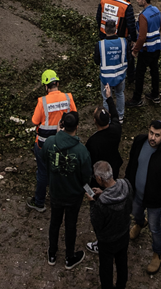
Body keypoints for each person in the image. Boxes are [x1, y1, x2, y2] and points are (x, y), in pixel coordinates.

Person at [125, 119, 161, 275]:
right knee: (136, 213)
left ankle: (157, 254)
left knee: (155, 229)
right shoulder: (140, 141)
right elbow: (132, 164)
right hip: (137, 194)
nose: (153, 138)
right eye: (151, 133)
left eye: (157, 135)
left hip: (155, 202)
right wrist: (128, 184)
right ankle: (140, 224)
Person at [43, 110, 92, 268]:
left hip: (56, 193)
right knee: (71, 225)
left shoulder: (50, 142)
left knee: (54, 223)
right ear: (77, 127)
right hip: (73, 196)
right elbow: (86, 177)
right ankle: (69, 257)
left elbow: (45, 162)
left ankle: (52, 253)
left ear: (62, 124)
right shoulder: (81, 151)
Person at [29, 69, 77, 212]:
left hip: (43, 145)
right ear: (57, 83)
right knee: (61, 169)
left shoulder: (42, 101)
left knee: (43, 173)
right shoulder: (68, 98)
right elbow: (74, 116)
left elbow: (34, 121)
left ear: (46, 86)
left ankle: (39, 202)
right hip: (63, 143)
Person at [86, 161, 133, 289]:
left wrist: (92, 203)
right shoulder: (126, 184)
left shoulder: (102, 203)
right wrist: (104, 192)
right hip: (123, 234)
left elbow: (97, 224)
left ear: (100, 178)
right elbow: (129, 206)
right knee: (122, 263)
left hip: (107, 241)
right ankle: (121, 285)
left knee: (106, 269)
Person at [129, 0, 161, 107]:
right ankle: (155, 94)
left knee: (139, 74)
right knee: (154, 71)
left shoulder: (143, 16)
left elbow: (142, 37)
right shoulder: (156, 10)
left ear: (144, 1)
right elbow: (160, 28)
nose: (137, 1)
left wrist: (135, 51)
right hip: (157, 47)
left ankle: (137, 98)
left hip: (146, 50)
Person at [86, 102, 124, 184]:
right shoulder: (116, 129)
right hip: (114, 166)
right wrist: (109, 98)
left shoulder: (92, 142)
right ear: (108, 116)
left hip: (100, 173)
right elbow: (115, 116)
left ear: (95, 121)